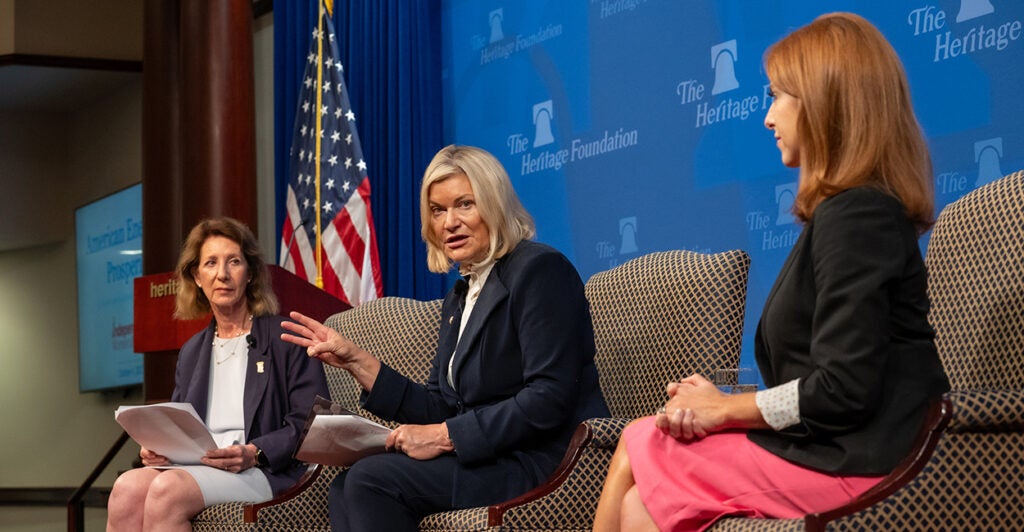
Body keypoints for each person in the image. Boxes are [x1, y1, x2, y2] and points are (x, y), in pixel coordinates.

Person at [592, 12, 950, 531]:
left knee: (642, 439)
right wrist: (721, 404)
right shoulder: (845, 213)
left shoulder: (860, 215)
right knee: (637, 503)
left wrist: (724, 409)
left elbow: (843, 389)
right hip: (834, 448)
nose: (768, 117)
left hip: (867, 465)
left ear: (826, 104)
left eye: (779, 96)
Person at [281, 144, 610, 531]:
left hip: (543, 460)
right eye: (438, 210)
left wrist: (445, 437)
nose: (449, 222)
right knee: (345, 484)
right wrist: (357, 361)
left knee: (373, 481)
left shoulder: (540, 271)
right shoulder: (460, 297)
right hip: (489, 455)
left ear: (494, 204)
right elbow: (442, 406)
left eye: (464, 204)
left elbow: (548, 397)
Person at [106, 217, 329, 531]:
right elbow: (178, 421)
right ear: (197, 276)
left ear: (249, 272)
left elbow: (312, 423)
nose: (222, 274)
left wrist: (255, 452)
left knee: (165, 491)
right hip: (199, 466)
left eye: (233, 262)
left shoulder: (285, 337)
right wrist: (161, 449)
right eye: (210, 263)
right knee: (125, 489)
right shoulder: (192, 351)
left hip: (262, 471)